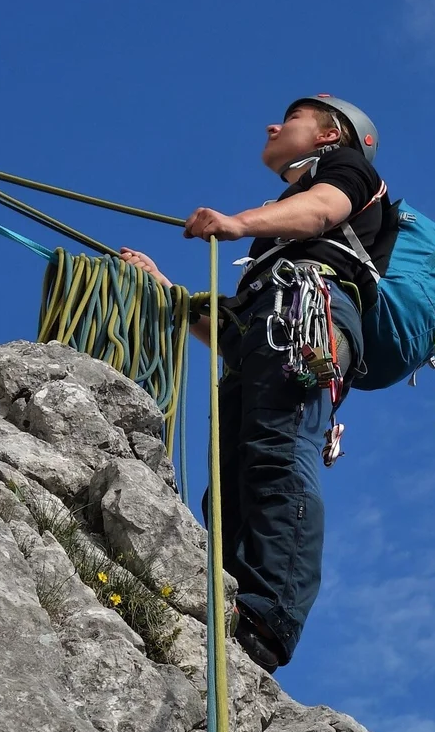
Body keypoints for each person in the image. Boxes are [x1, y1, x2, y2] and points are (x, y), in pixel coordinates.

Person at [121, 95, 394, 672]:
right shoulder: (279, 229)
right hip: (272, 323)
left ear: (329, 136)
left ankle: (268, 615)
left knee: (275, 450)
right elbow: (234, 333)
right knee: (233, 476)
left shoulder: (347, 171)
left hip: (308, 313)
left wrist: (237, 222)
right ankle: (227, 599)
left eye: (291, 118)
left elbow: (322, 211)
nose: (273, 124)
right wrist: (165, 291)